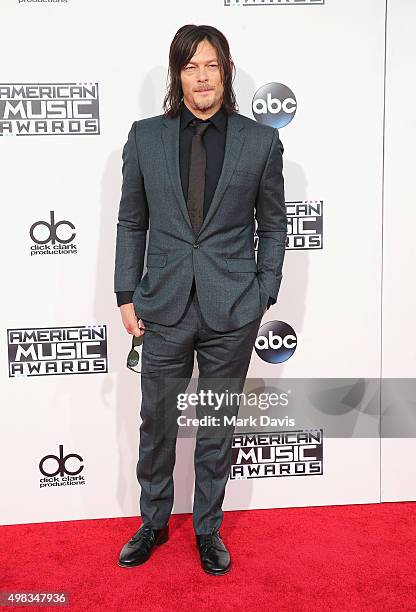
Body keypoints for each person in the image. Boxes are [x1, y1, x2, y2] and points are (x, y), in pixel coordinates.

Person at [114, 23, 287, 575]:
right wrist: (125, 293)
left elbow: (275, 226)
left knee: (216, 425)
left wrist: (264, 292)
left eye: (211, 65)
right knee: (158, 420)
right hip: (161, 305)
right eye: (191, 66)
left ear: (226, 70)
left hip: (231, 307)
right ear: (178, 75)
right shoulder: (145, 137)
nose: (202, 76)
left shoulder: (260, 141)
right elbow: (131, 221)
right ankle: (153, 521)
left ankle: (208, 529)